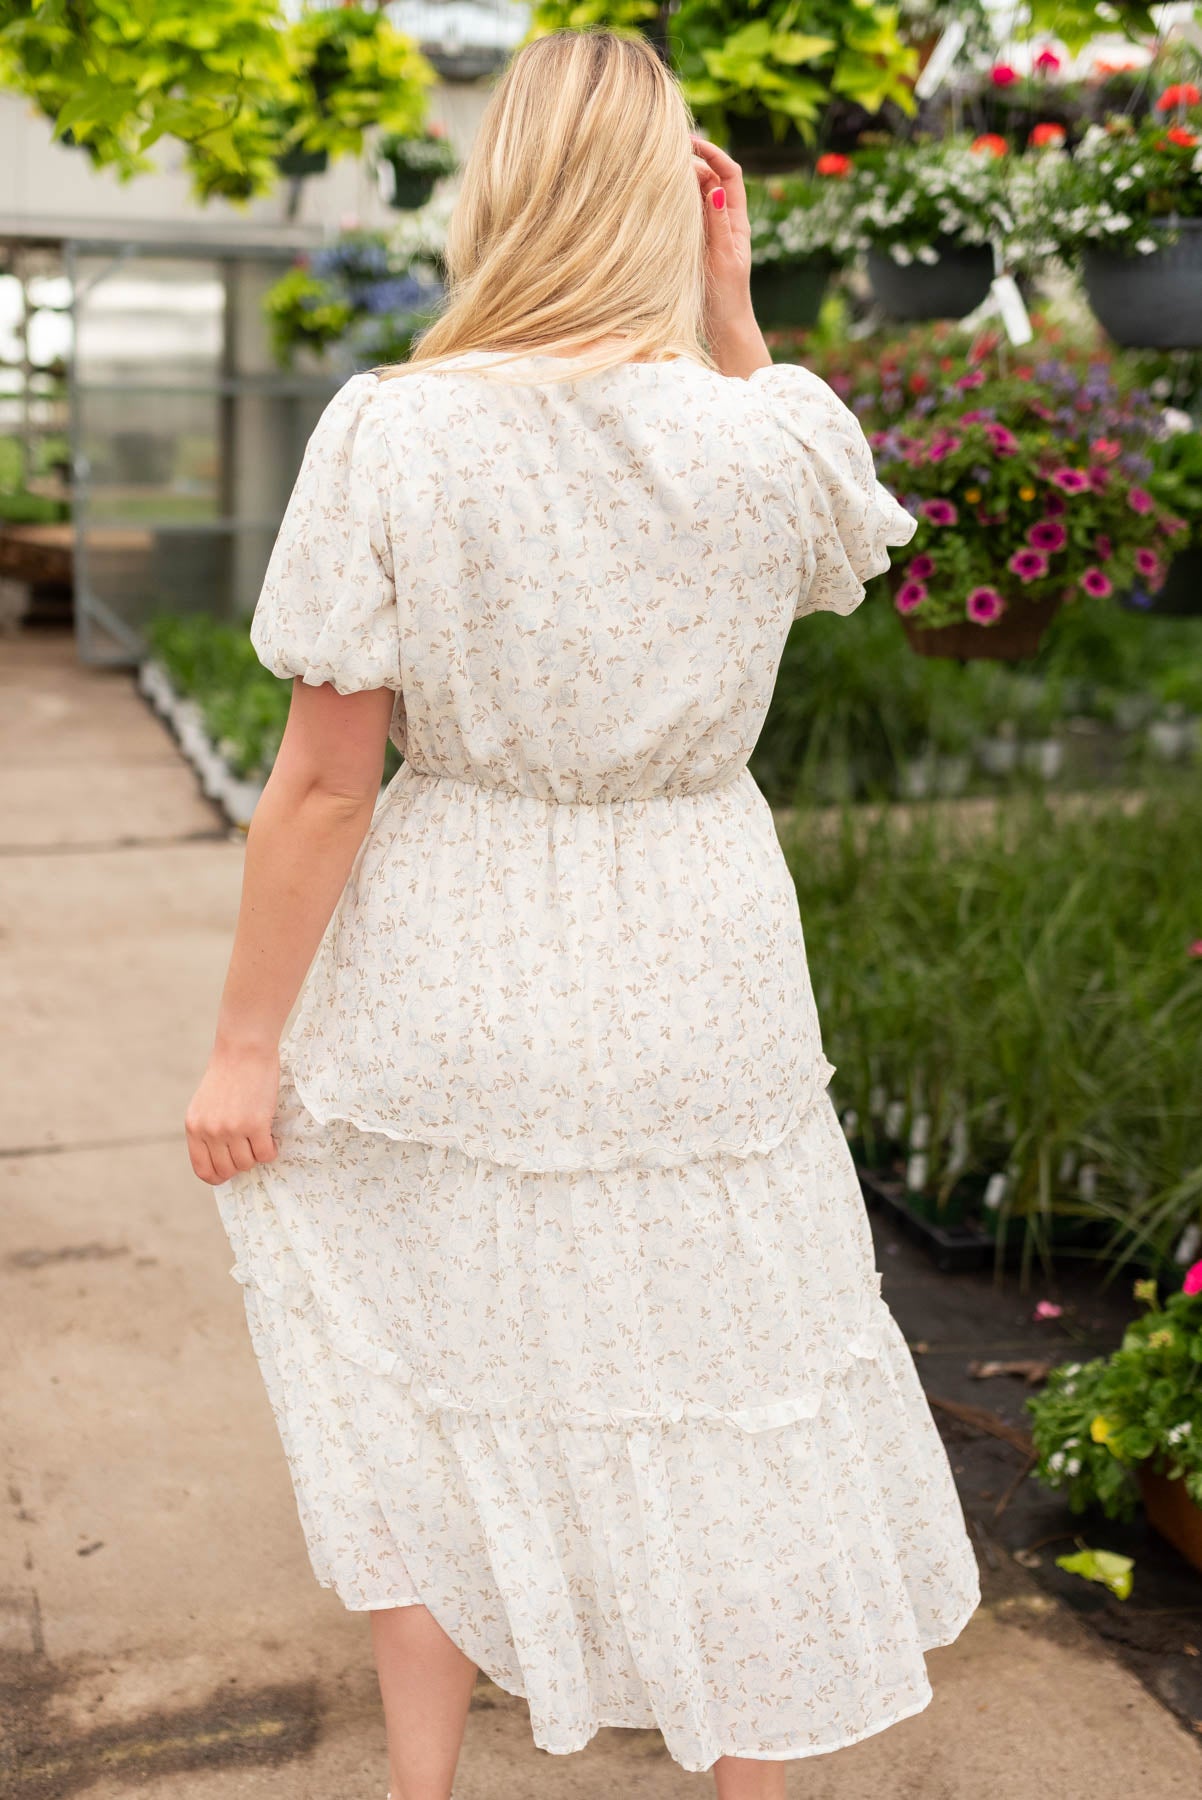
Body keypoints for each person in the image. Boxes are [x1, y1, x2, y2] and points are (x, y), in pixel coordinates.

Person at [187, 27, 981, 1800]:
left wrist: (245, 1046)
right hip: (701, 954)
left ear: (498, 192)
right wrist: (731, 316)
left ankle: (423, 1787)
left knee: (437, 1376)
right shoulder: (763, 432)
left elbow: (323, 785)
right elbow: (832, 533)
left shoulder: (393, 430)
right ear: (666, 201)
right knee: (726, 1381)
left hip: (460, 944)